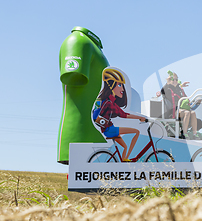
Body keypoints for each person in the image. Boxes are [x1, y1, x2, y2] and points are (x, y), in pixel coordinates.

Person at [58, 26, 109, 164]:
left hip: (99, 129)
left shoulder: (95, 47)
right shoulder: (78, 41)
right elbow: (73, 76)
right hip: (79, 132)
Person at [93, 68, 147, 162]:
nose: (122, 89)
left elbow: (123, 114)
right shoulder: (109, 103)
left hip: (109, 129)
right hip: (110, 129)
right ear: (111, 86)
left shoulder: (110, 102)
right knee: (136, 132)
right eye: (119, 85)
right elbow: (125, 115)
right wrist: (140, 118)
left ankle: (124, 160)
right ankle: (127, 159)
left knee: (125, 147)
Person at [156, 71, 201, 139]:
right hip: (173, 111)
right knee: (187, 113)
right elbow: (162, 91)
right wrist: (168, 82)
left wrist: (197, 101)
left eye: (176, 79)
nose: (175, 81)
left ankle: (195, 134)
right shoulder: (167, 89)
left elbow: (186, 99)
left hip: (182, 109)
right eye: (173, 79)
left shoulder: (179, 89)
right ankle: (184, 133)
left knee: (193, 113)